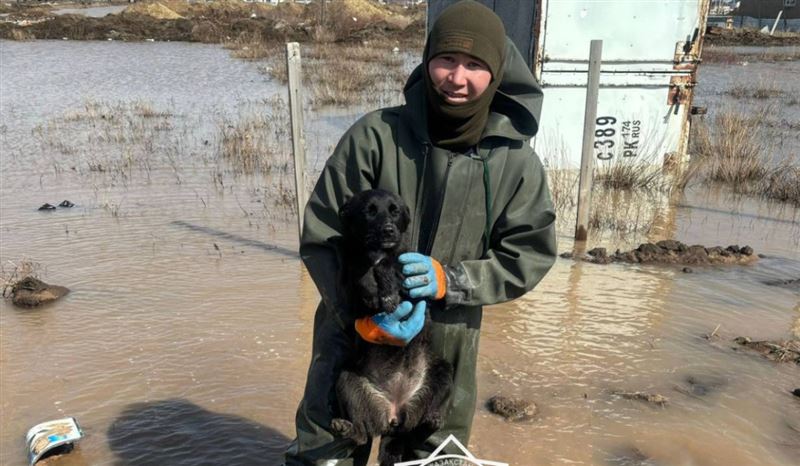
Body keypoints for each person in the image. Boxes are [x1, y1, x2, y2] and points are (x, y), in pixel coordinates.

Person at [285, 1, 557, 464]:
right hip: (351, 342)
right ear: (427, 60)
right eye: (446, 59)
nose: (457, 77)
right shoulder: (374, 136)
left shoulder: (517, 163)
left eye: (475, 65)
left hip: (442, 345)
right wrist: (358, 315)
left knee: (430, 458)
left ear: (498, 72)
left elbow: (529, 254)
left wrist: (454, 280)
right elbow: (323, 236)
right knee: (326, 451)